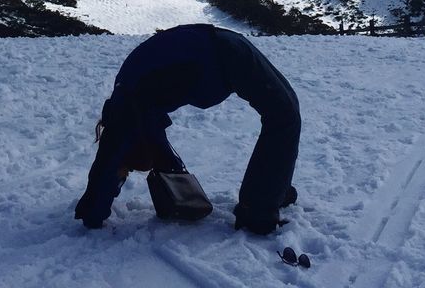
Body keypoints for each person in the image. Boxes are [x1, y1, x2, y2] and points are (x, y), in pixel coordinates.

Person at [74, 23, 301, 234]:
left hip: (224, 52)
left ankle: (259, 208)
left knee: (284, 115)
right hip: (221, 48)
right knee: (284, 112)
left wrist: (93, 213)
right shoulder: (135, 109)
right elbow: (163, 158)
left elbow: (108, 162)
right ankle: (265, 197)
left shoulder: (125, 114)